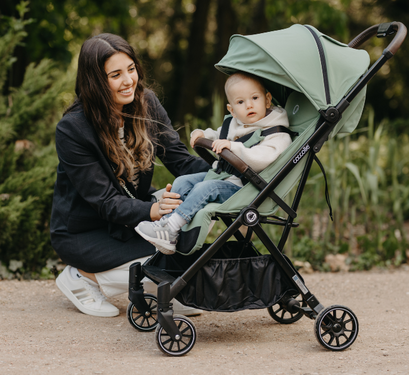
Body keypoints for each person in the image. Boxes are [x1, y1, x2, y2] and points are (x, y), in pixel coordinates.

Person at [50, 33, 210, 317]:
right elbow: (105, 201)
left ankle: (164, 288)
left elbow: (180, 160)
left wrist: (226, 174)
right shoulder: (72, 129)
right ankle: (83, 278)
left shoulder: (146, 103)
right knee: (162, 256)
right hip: (85, 232)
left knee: (190, 223)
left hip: (128, 220)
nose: (128, 81)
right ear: (95, 81)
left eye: (131, 69)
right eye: (115, 74)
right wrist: (153, 210)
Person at [135, 72, 293, 255]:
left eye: (255, 98)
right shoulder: (239, 123)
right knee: (182, 182)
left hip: (249, 189)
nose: (249, 105)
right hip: (226, 177)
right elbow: (219, 134)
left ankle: (171, 227)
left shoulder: (276, 133)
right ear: (232, 109)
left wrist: (234, 148)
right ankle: (167, 228)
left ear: (267, 100)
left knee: (206, 188)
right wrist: (203, 135)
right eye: (240, 102)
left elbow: (262, 158)